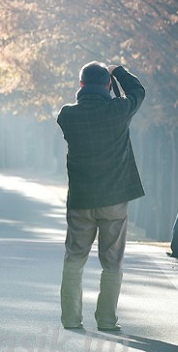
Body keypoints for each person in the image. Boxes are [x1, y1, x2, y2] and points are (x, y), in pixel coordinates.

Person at [57, 61, 145, 331]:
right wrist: (118, 71)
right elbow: (137, 91)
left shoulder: (67, 116)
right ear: (107, 85)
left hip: (81, 200)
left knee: (74, 259)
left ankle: (71, 319)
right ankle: (106, 319)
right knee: (112, 263)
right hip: (114, 200)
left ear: (81, 85)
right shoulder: (118, 110)